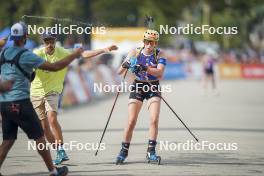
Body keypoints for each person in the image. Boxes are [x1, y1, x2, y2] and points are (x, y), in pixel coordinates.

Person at [0, 22, 83, 176]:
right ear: (26, 37)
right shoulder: (27, 55)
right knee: (39, 137)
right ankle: (53, 171)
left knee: (7, 141)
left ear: (11, 38)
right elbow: (55, 67)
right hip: (21, 102)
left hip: (4, 103)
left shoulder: (3, 54)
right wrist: (75, 54)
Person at [30, 31, 118, 165]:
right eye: (47, 41)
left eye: (52, 41)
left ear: (55, 40)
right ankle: (58, 151)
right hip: (36, 92)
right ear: (43, 42)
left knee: (52, 118)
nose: (49, 44)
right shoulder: (37, 53)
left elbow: (83, 54)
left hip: (52, 92)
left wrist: (104, 49)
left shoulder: (63, 51)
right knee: (44, 128)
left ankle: (61, 150)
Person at [116, 29, 166, 164]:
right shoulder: (135, 51)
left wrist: (145, 68)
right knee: (131, 120)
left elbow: (160, 73)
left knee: (154, 119)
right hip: (138, 86)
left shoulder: (159, 53)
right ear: (143, 42)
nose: (149, 45)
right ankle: (123, 151)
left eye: (152, 42)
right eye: (147, 41)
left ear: (155, 43)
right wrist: (125, 64)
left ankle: (151, 152)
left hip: (153, 86)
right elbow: (119, 71)